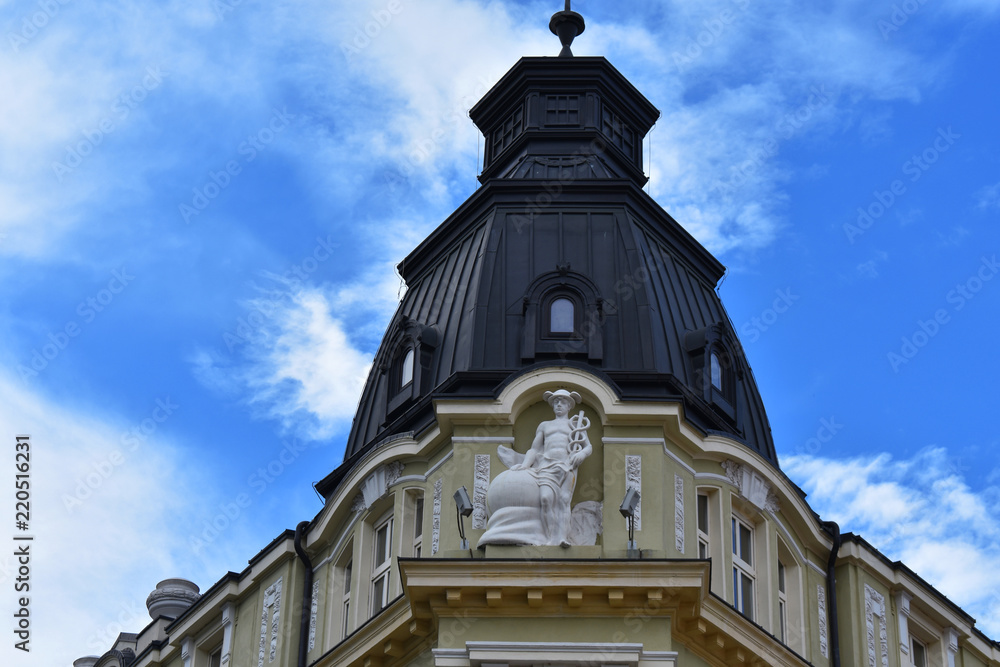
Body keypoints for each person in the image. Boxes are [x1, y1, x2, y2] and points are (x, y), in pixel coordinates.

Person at [509, 389, 592, 545]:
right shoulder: (545, 425)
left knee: (564, 500)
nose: (559, 404)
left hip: (568, 466)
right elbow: (534, 449)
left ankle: (562, 537)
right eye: (556, 402)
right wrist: (525, 465)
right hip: (546, 466)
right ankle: (550, 537)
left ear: (569, 406)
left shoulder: (576, 425)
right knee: (545, 499)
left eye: (563, 402)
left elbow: (588, 447)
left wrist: (582, 454)